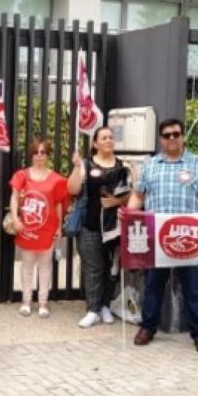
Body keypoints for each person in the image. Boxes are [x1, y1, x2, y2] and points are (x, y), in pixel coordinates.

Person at [128, 118, 198, 354]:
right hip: (157, 238)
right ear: (161, 139)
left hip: (190, 238)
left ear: (182, 136)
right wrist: (129, 213)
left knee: (193, 289)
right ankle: (148, 327)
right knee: (152, 286)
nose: (172, 138)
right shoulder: (150, 165)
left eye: (176, 134)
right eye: (167, 135)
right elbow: (138, 196)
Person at [68, 127, 131, 328]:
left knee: (112, 268)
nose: (108, 140)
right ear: (95, 143)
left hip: (116, 227)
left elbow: (135, 194)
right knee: (93, 268)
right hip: (91, 225)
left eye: (111, 137)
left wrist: (115, 202)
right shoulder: (86, 164)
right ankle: (93, 309)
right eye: (103, 138)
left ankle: (106, 305)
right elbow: (72, 189)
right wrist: (77, 167)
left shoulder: (124, 166)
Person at [10, 138, 69, 318]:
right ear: (31, 155)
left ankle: (43, 302)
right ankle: (26, 301)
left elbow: (58, 204)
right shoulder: (22, 176)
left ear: (48, 155)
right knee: (26, 265)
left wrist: (59, 226)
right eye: (36, 152)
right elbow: (13, 197)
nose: (39, 156)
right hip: (27, 228)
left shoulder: (57, 179)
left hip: (47, 228)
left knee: (45, 265)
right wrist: (15, 218)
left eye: (43, 152)